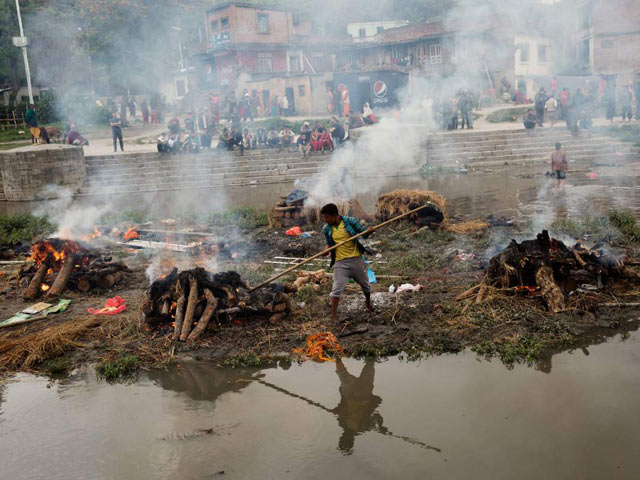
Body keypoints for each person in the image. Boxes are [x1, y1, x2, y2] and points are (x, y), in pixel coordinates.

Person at [321, 203, 375, 325]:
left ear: (335, 215)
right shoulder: (327, 229)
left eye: (327, 217)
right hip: (340, 263)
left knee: (366, 286)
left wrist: (369, 231)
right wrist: (326, 250)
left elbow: (364, 233)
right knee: (336, 290)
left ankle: (368, 303)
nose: (325, 220)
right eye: (324, 217)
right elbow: (328, 244)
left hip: (356, 260)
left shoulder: (349, 222)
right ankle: (334, 317)